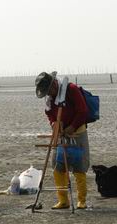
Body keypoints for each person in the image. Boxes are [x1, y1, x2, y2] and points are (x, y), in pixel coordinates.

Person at [35, 71, 89, 209]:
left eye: (50, 90)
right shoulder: (49, 98)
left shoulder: (71, 89)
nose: (49, 94)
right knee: (58, 166)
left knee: (79, 166)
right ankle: (63, 200)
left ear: (54, 84)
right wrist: (54, 123)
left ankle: (81, 200)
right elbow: (49, 114)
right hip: (60, 133)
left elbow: (82, 110)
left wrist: (72, 126)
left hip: (77, 132)